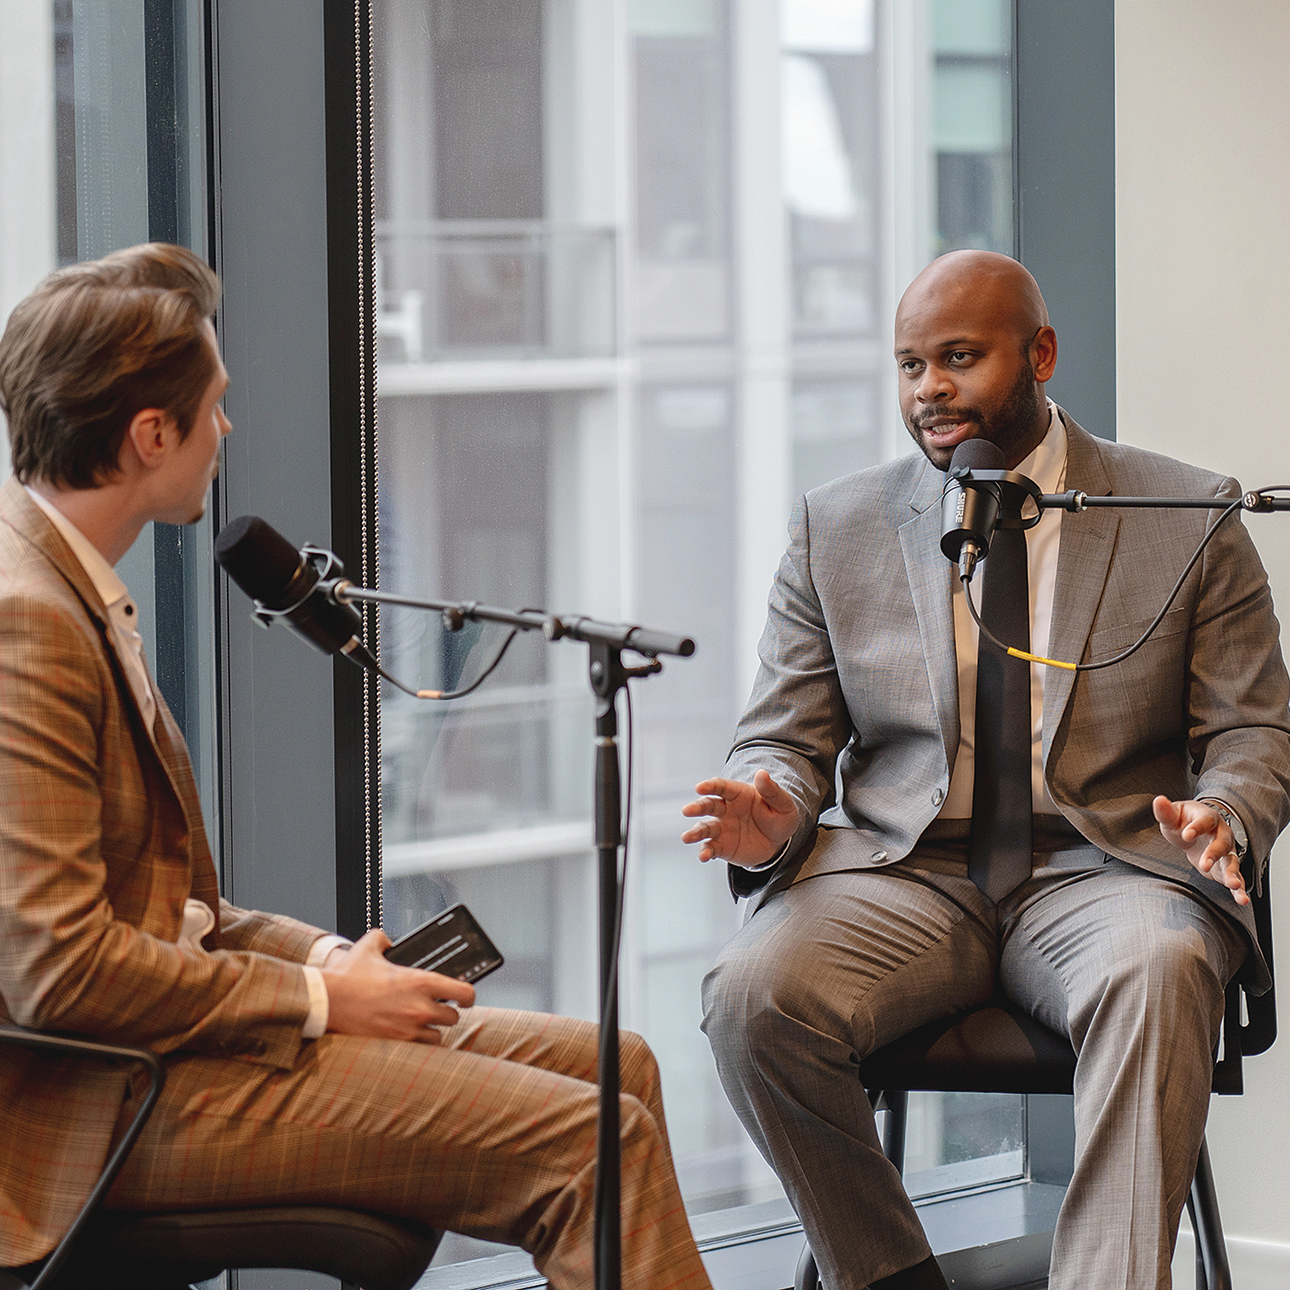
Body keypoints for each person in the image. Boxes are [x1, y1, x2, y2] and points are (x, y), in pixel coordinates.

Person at [0, 242, 712, 1290]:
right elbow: (60, 972)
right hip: (103, 1107)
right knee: (590, 1137)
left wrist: (331, 963)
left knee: (621, 1070)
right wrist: (321, 1006)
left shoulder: (68, 586)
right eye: (214, 406)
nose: (227, 430)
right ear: (151, 435)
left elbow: (177, 915)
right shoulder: (30, 621)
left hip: (166, 1052)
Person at [682, 250, 1290, 1290]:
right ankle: (888, 1277)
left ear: (1040, 354)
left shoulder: (1186, 513)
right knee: (751, 996)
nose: (930, 389)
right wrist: (771, 808)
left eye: (959, 357)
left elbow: (1255, 733)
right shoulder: (839, 527)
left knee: (1161, 969)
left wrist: (1226, 813)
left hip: (1106, 875)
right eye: (910, 364)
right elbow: (783, 735)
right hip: (906, 876)